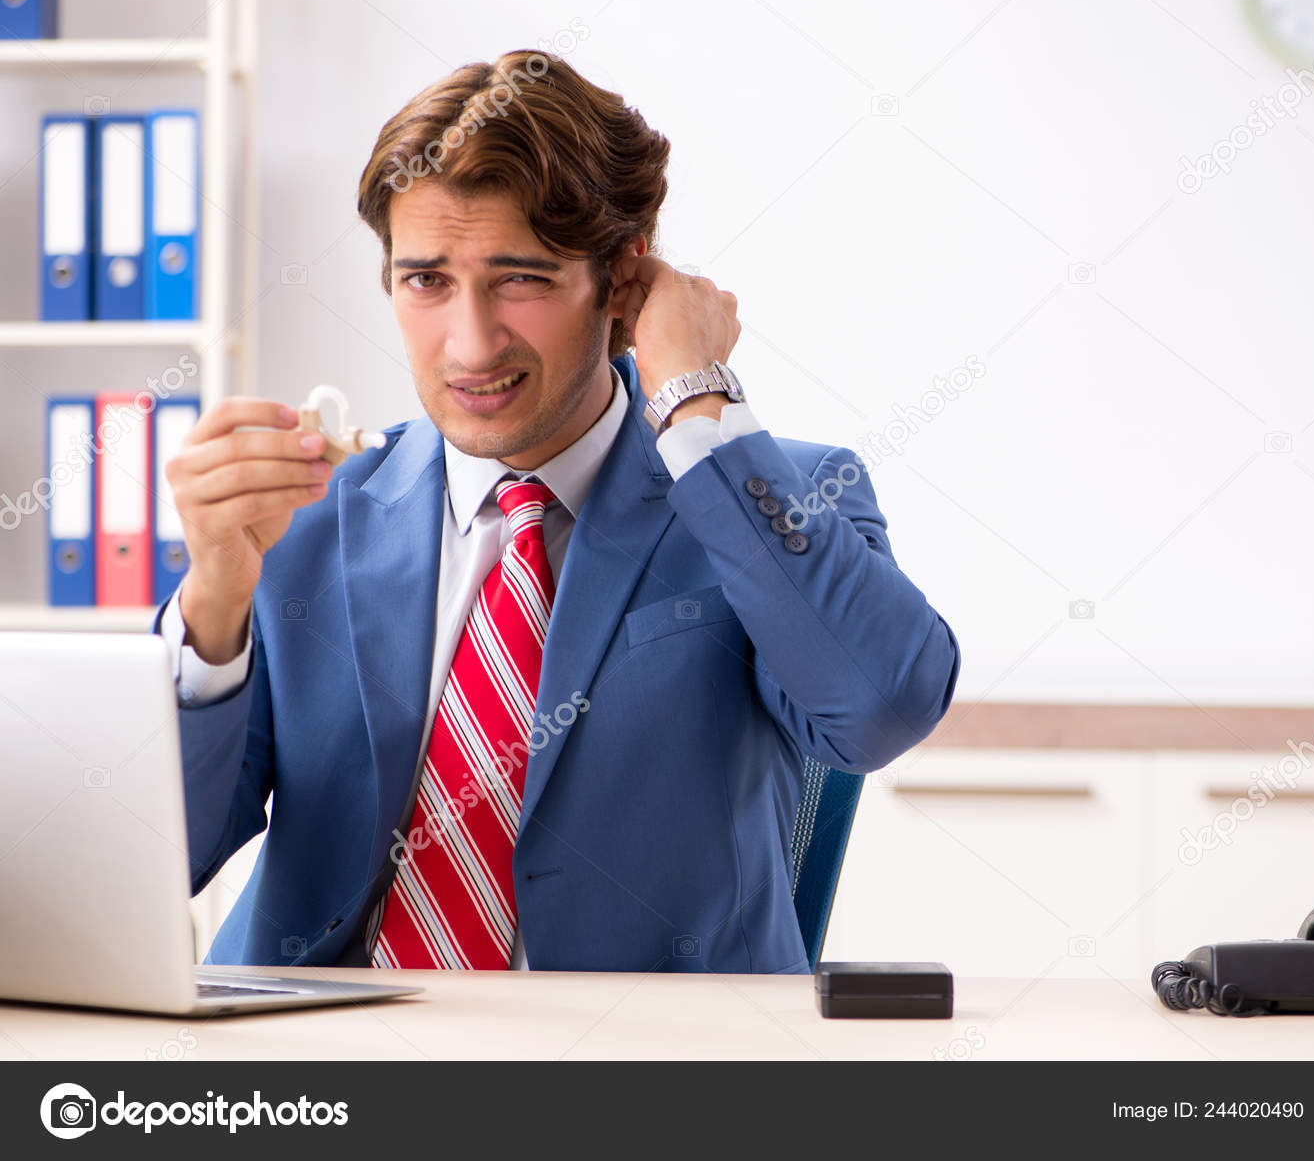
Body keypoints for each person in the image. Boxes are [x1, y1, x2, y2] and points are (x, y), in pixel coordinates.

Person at [155, 50, 960, 973]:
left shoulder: (763, 498)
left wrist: (698, 406)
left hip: (640, 1047)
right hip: (319, 1040)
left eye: (521, 279)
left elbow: (881, 710)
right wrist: (215, 597)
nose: (470, 345)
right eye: (426, 281)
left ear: (623, 283)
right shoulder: (306, 514)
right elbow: (159, 857)